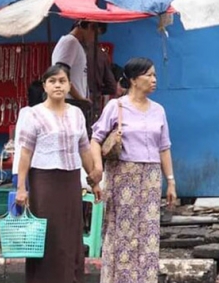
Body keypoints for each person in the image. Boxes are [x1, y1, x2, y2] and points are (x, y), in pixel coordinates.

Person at [90, 57, 177, 283]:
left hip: (150, 178)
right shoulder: (116, 106)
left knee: (148, 232)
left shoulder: (159, 110)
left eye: (154, 75)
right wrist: (98, 167)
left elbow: (164, 148)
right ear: (133, 80)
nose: (154, 79)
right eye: (149, 75)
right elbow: (95, 139)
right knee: (122, 232)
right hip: (122, 176)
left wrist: (171, 182)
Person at [15, 64, 102, 283]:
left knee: (71, 234)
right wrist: (21, 187)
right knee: (48, 235)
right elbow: (25, 153)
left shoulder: (77, 114)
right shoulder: (33, 115)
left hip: (70, 180)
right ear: (44, 85)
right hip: (44, 181)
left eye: (62, 81)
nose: (58, 85)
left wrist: (93, 180)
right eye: (52, 81)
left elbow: (84, 149)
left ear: (69, 85)